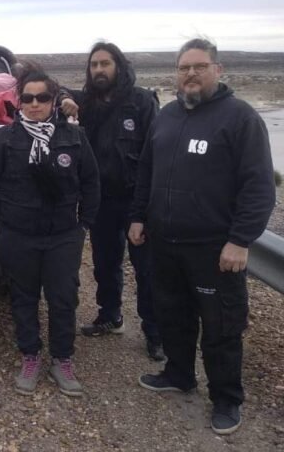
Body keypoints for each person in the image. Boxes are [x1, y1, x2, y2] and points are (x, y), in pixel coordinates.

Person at [129, 38, 275, 435]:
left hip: (214, 248)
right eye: (183, 68)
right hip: (165, 242)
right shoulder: (167, 116)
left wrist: (241, 240)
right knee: (172, 316)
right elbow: (146, 172)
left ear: (218, 70)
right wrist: (138, 217)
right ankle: (179, 373)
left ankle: (226, 398)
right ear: (176, 73)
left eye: (199, 66)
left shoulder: (240, 118)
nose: (190, 74)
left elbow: (259, 187)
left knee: (221, 327)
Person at [0, 67, 100, 397]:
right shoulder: (5, 139)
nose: (34, 104)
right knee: (23, 298)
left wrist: (84, 226)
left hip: (62, 236)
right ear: (19, 102)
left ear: (54, 100)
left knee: (62, 298)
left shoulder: (74, 137)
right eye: (28, 98)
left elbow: (91, 182)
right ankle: (29, 356)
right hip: (17, 235)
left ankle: (62, 359)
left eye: (42, 98)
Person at [59, 42, 163, 361]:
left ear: (118, 65)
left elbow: (155, 156)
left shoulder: (142, 101)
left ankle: (155, 334)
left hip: (137, 201)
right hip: (102, 200)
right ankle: (110, 316)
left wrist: (143, 211)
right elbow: (54, 87)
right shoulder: (86, 102)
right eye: (94, 65)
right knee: (105, 263)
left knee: (147, 270)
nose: (99, 70)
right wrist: (64, 97)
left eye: (105, 63)